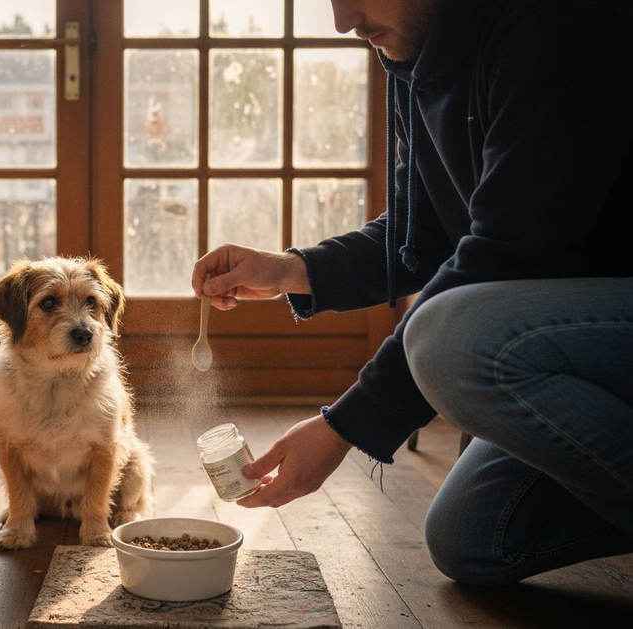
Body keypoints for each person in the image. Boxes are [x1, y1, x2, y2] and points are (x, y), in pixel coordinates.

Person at [192, 0, 633, 586]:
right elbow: (420, 235)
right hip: (570, 335)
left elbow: (510, 251)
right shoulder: (418, 55)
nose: (343, 21)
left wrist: (343, 426)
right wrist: (290, 270)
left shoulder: (554, 25)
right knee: (474, 540)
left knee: (450, 339)